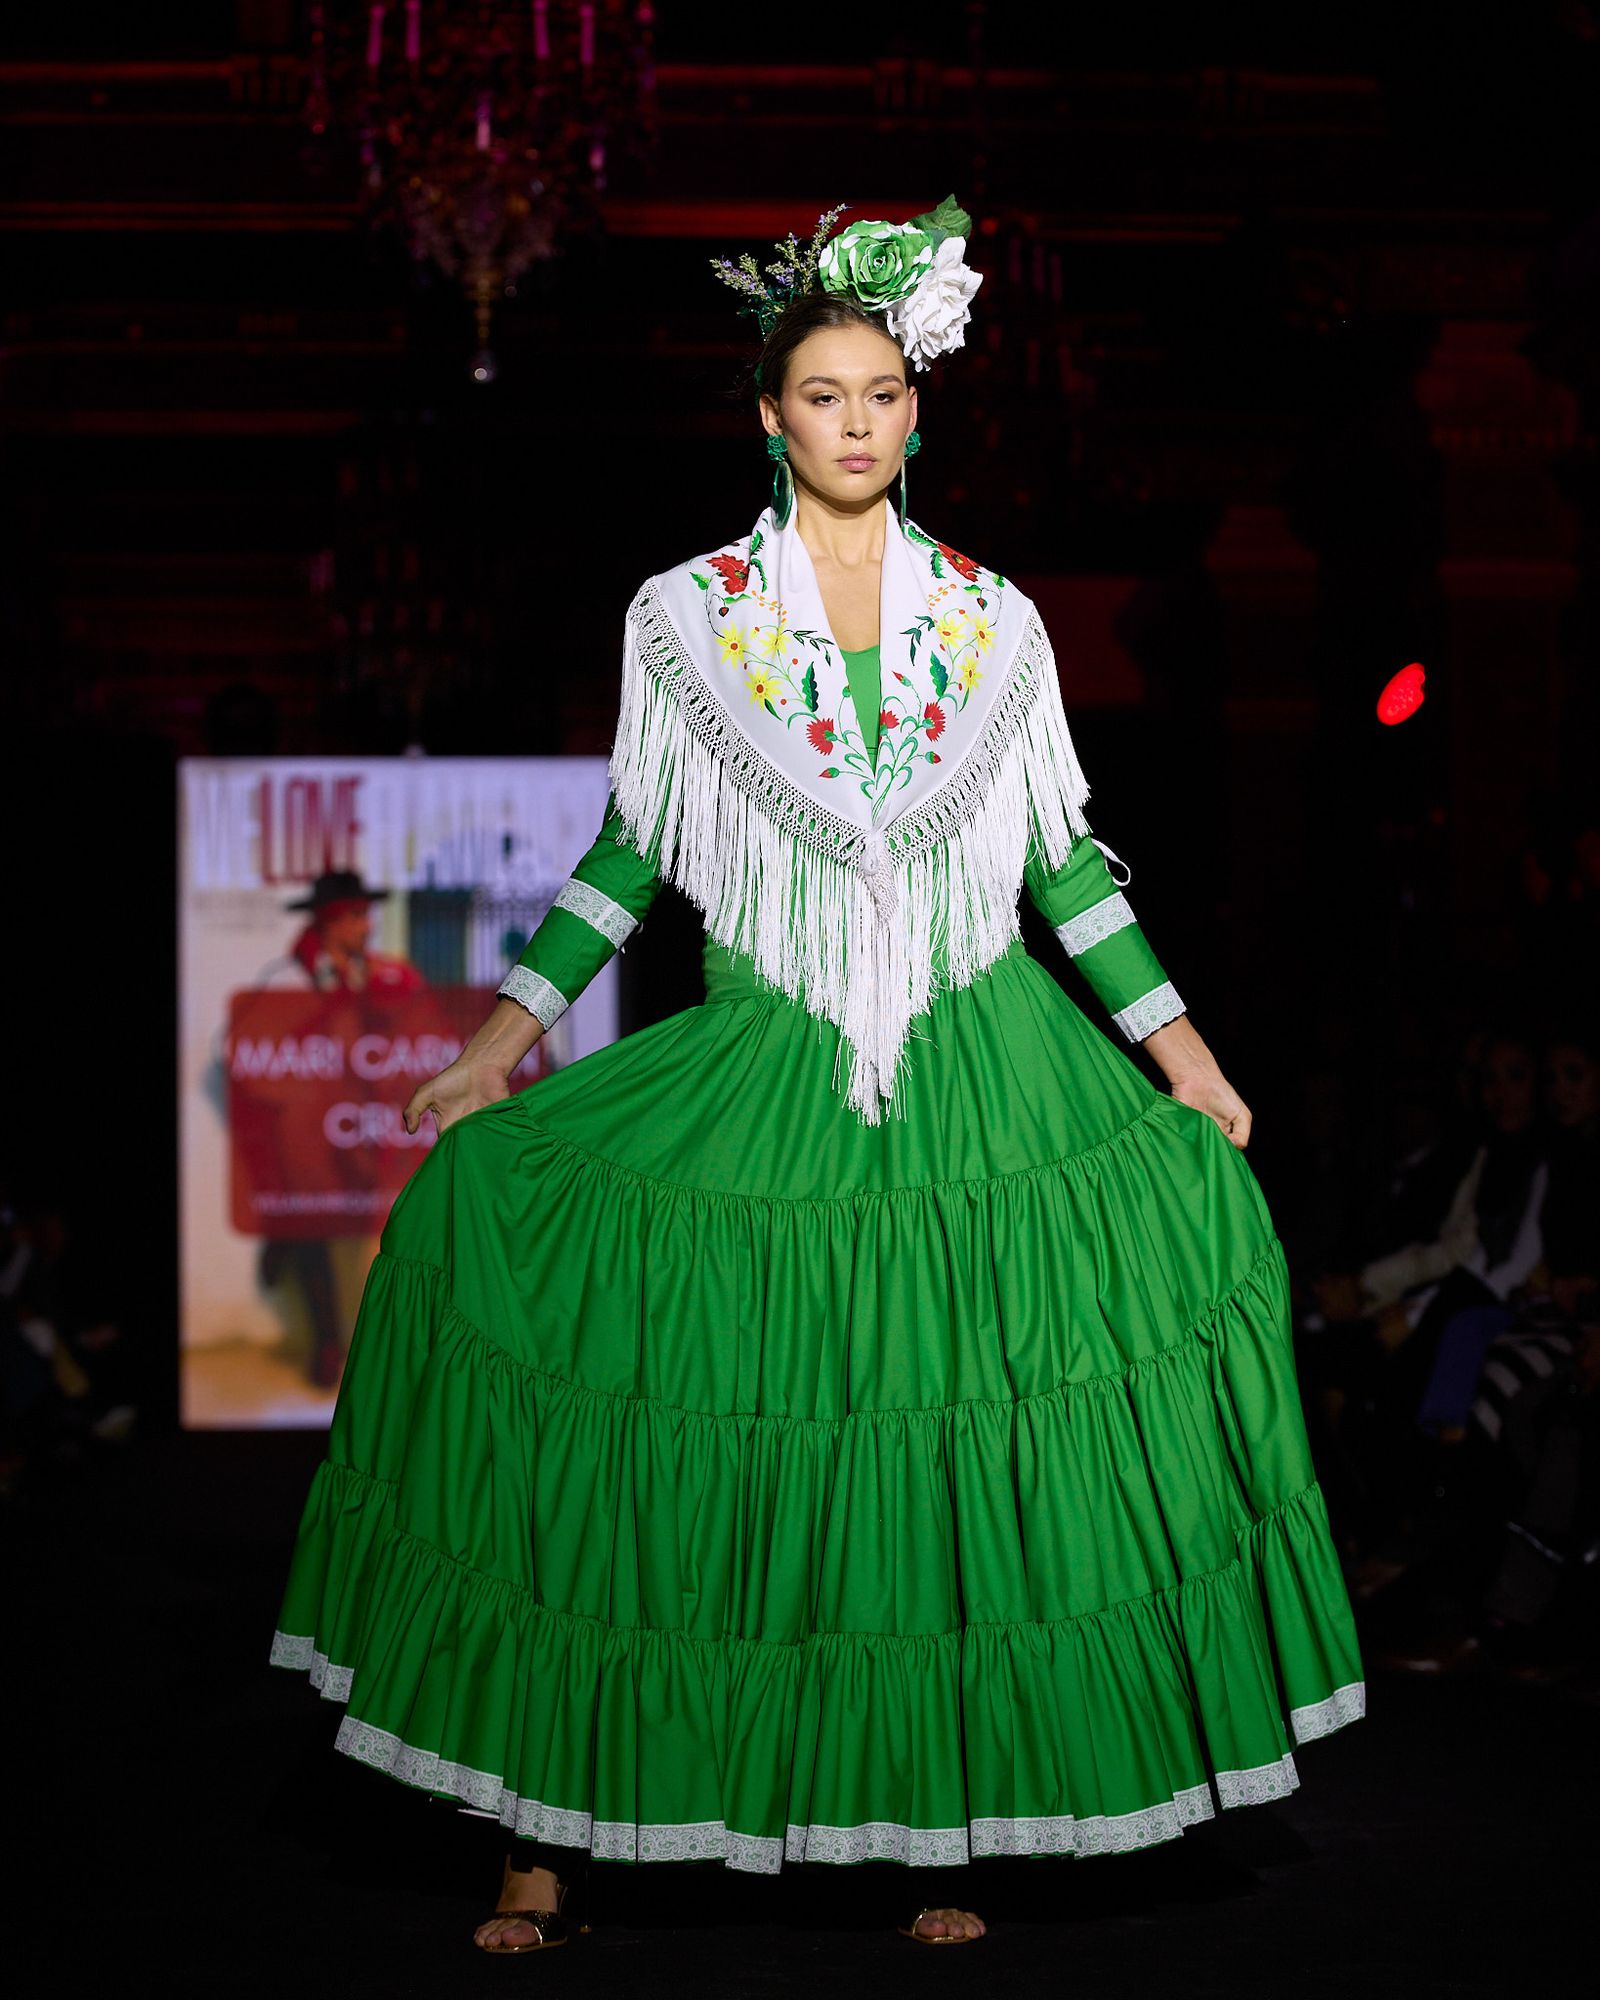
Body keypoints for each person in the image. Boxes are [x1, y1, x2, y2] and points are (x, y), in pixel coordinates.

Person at [269, 197, 1365, 1954]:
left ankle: (937, 1829)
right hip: (764, 1055)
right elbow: (629, 856)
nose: (855, 421)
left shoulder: (995, 621)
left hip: (983, 1065)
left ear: (915, 411)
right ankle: (538, 1827)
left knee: (934, 1466)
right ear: (769, 419)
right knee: (647, 1432)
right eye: (822, 396)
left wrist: (1187, 1058)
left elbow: (1065, 870)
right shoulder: (687, 618)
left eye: (880, 393)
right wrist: (498, 1044)